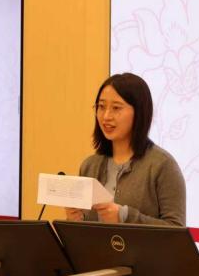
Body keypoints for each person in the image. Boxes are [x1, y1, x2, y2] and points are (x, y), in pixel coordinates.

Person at [66, 73, 186, 226]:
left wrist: (124, 216)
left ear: (139, 112)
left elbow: (176, 229)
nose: (106, 116)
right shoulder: (89, 166)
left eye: (116, 108)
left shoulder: (162, 165)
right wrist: (76, 221)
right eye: (101, 107)